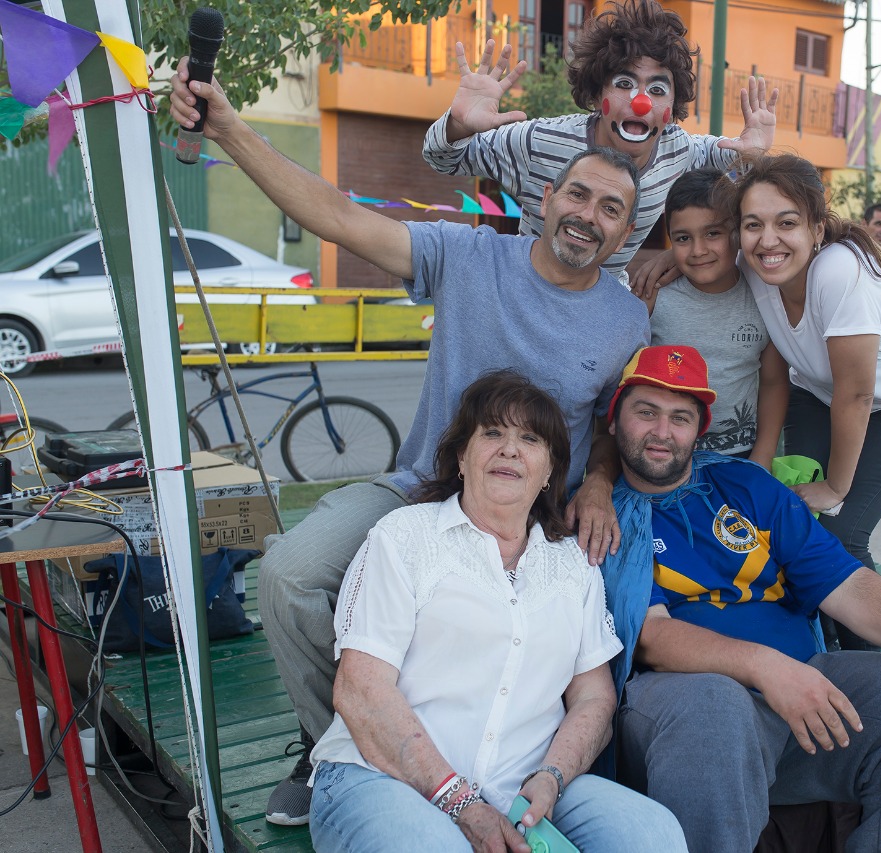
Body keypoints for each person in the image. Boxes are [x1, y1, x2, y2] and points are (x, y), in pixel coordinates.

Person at [169, 67, 651, 824]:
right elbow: (338, 217)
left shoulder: (627, 320)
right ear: (546, 198)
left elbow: (614, 424)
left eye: (611, 209)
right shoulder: (467, 256)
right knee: (289, 575)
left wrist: (595, 482)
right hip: (422, 487)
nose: (589, 215)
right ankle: (338, 739)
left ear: (626, 232)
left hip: (532, 517)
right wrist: (228, 127)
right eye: (579, 195)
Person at [596, 345, 881, 853]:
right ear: (614, 420)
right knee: (714, 707)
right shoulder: (604, 515)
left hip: (800, 693)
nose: (663, 432)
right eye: (646, 412)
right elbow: (652, 637)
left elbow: (848, 584)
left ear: (699, 429)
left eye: (680, 417)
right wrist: (766, 667)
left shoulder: (746, 485)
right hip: (686, 710)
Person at [308, 371, 687, 852]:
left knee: (654, 835)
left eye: (529, 439)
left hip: (522, 791)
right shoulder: (404, 537)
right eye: (492, 433)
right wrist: (459, 802)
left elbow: (594, 696)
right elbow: (361, 689)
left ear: (549, 472)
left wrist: (552, 776)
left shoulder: (572, 565)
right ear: (461, 457)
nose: (509, 450)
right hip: (385, 778)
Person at [732, 154, 881, 652]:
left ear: (816, 227)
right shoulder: (754, 266)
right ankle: (822, 651)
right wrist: (761, 462)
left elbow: (858, 393)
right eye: (753, 225)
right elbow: (775, 372)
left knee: (842, 532)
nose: (767, 240)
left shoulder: (840, 271)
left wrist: (835, 487)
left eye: (786, 223)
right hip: (819, 392)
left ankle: (871, 668)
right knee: (795, 522)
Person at [423, 0, 778, 283]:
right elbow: (444, 158)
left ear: (672, 108)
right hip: (527, 291)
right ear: (596, 94)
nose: (641, 102)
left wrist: (753, 153)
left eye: (657, 90)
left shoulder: (679, 150)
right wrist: (458, 125)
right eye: (624, 84)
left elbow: (734, 166)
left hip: (604, 304)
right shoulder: (538, 142)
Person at [643, 167, 789, 460]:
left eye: (713, 233)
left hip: (739, 455)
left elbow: (774, 383)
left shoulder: (764, 295)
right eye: (683, 238)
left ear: (738, 231)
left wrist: (762, 457)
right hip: (663, 455)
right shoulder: (654, 297)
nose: (698, 250)